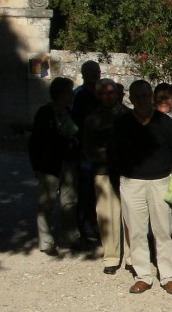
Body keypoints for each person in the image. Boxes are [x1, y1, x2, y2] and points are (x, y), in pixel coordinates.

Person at [109, 80, 172, 295]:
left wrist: (163, 170)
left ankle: (168, 276)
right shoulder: (121, 123)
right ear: (130, 99)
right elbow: (114, 153)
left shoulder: (164, 122)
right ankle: (143, 276)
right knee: (137, 231)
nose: (141, 100)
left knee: (163, 231)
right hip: (132, 183)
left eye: (145, 95)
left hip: (160, 182)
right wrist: (120, 181)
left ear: (151, 97)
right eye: (137, 96)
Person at [28, 76, 82, 256]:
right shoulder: (45, 113)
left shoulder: (68, 111)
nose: (72, 95)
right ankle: (46, 241)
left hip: (68, 162)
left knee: (70, 201)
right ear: (61, 93)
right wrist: (36, 166)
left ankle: (72, 238)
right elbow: (35, 141)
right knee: (47, 203)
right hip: (50, 164)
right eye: (69, 91)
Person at [82, 78, 130, 274]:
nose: (107, 97)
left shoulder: (128, 116)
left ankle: (131, 256)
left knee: (129, 215)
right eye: (102, 93)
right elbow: (88, 149)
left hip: (127, 172)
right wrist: (111, 156)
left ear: (117, 94)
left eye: (110, 93)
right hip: (103, 171)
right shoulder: (92, 120)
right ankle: (111, 257)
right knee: (107, 216)